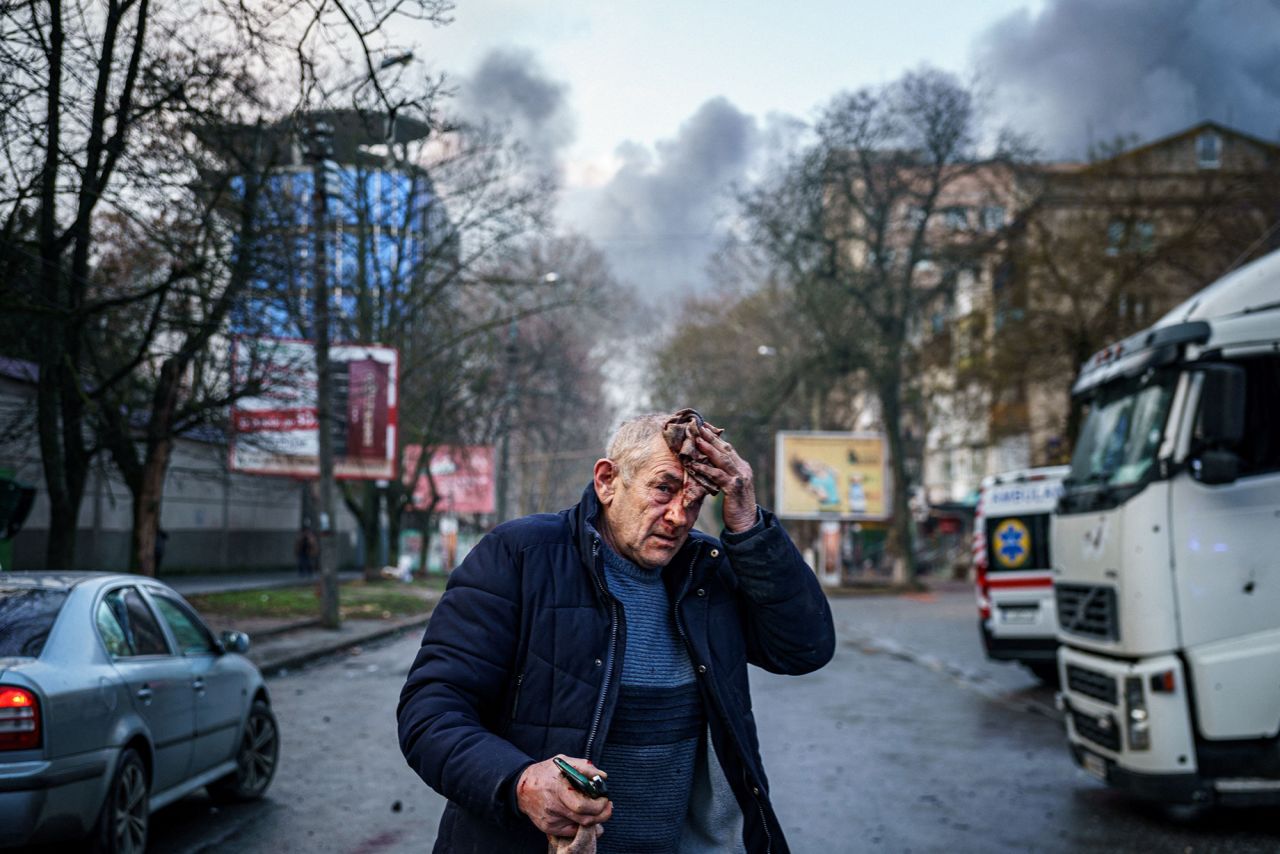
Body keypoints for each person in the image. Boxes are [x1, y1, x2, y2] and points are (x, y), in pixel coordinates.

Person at [398, 411, 836, 853]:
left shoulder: (710, 572)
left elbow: (803, 649)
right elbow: (431, 712)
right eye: (663, 488)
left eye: (697, 497)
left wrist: (747, 520)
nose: (679, 516)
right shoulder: (520, 556)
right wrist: (520, 782)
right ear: (608, 481)